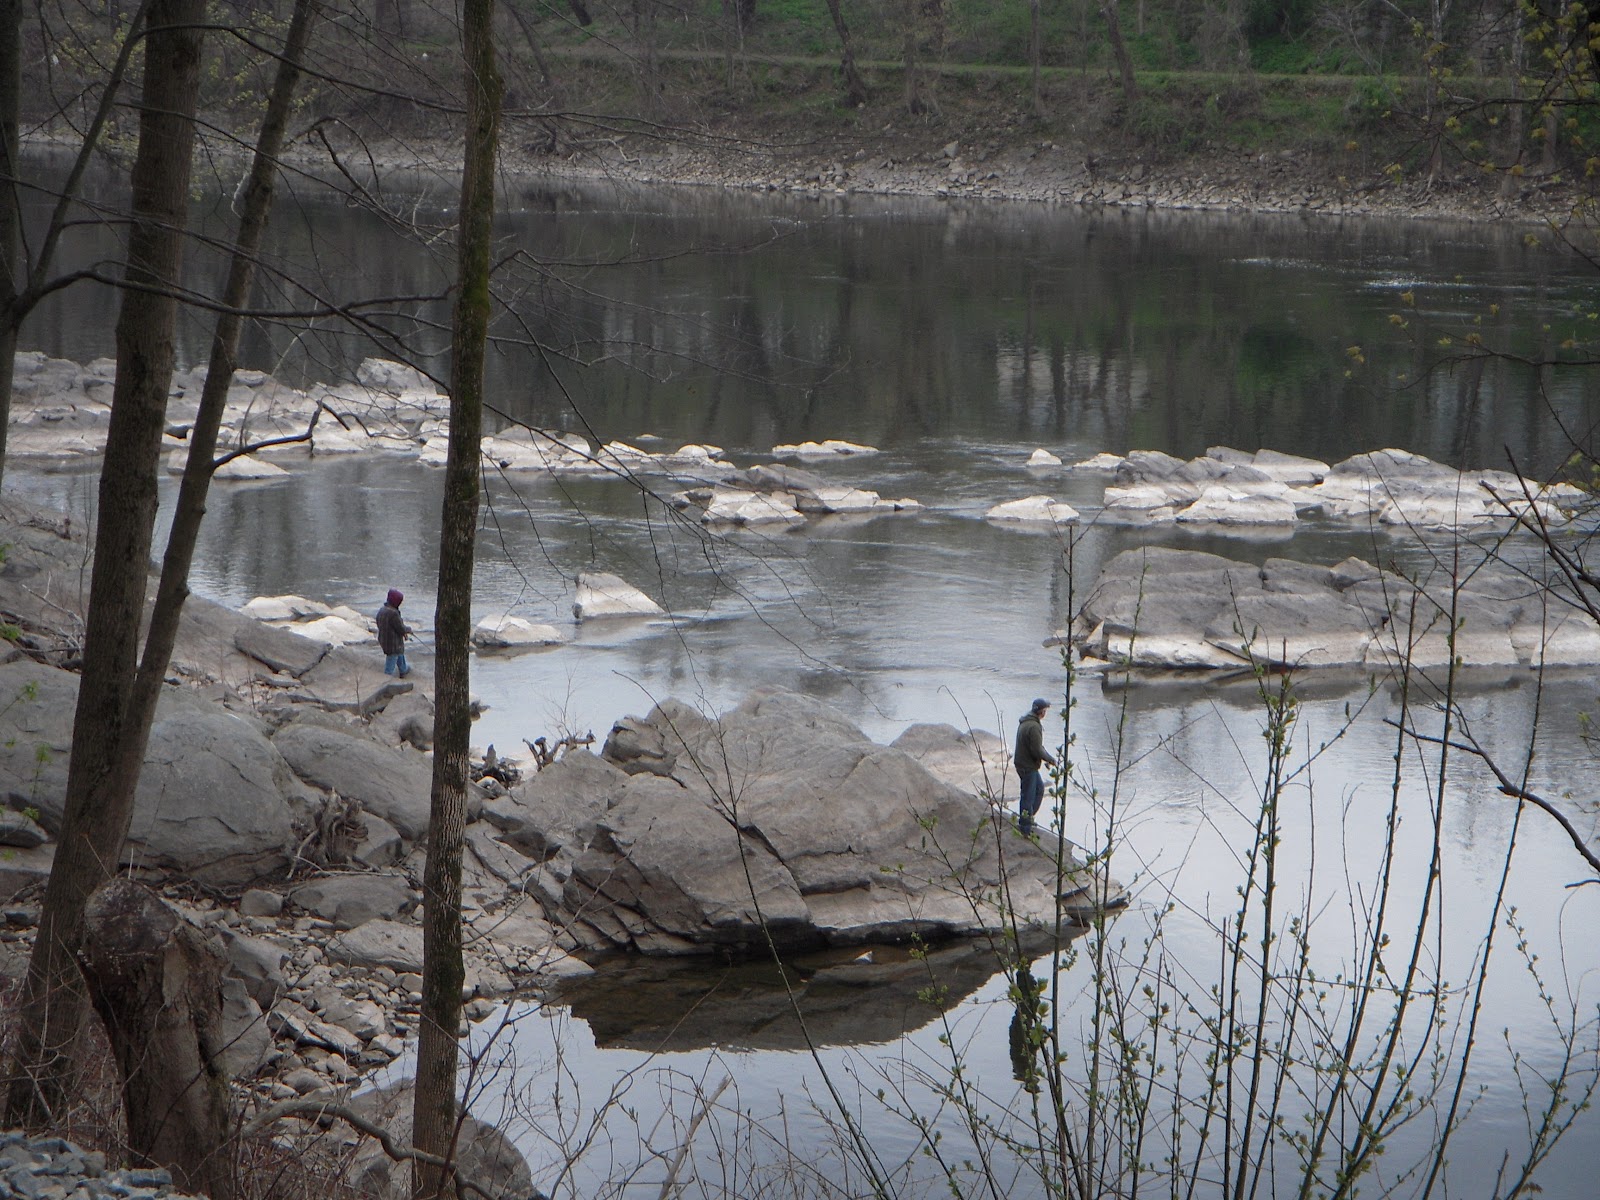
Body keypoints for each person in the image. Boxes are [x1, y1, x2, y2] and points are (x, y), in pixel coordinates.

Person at [1013, 697, 1057, 836]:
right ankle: (1025, 828)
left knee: (1039, 789)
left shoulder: (1026, 722)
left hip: (1023, 762)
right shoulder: (1034, 726)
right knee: (1028, 796)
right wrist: (1050, 759)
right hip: (1027, 766)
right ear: (1041, 712)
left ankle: (1027, 819)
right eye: (1045, 710)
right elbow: (1037, 750)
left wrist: (1043, 758)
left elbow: (1034, 747)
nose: (1045, 712)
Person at [376, 587, 411, 677]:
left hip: (383, 639)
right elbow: (401, 628)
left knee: (399, 652)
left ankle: (403, 669)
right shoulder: (394, 613)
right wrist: (408, 630)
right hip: (392, 642)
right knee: (392, 658)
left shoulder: (382, 609)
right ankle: (387, 678)